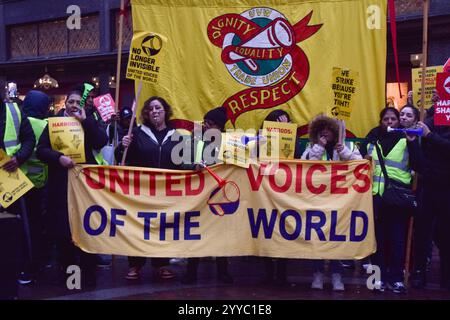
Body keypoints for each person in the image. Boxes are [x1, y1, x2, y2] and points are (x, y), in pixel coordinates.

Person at [36, 90, 108, 287]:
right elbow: (41, 150)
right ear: (65, 104)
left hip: (85, 186)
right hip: (61, 185)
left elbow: (102, 142)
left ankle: (89, 271)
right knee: (63, 230)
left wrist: (86, 122)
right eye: (71, 101)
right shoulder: (52, 124)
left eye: (78, 102)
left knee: (87, 227)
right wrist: (58, 158)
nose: (75, 105)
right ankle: (68, 273)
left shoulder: (88, 121)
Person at [115, 96, 181, 281]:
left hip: (165, 191)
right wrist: (122, 146)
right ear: (146, 113)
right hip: (141, 191)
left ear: (165, 111)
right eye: (151, 109)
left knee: (162, 227)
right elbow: (121, 157)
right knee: (138, 227)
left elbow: (182, 162)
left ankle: (161, 264)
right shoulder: (136, 133)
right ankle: (135, 264)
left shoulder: (175, 134)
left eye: (158, 108)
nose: (155, 111)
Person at [361, 107, 422, 294]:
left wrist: (412, 144)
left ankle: (396, 279)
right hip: (376, 197)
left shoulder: (408, 138)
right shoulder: (371, 139)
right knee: (375, 241)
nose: (389, 122)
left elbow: (420, 165)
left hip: (397, 198)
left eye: (393, 119)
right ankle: (375, 279)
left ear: (398, 121)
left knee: (397, 240)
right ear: (381, 121)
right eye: (386, 119)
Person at [301, 114, 362, 291]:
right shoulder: (311, 147)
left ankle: (337, 276)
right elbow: (305, 166)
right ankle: (318, 274)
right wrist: (318, 149)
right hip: (317, 202)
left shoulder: (348, 146)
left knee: (336, 239)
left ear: (335, 131)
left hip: (341, 202)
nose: (325, 132)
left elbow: (360, 166)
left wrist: (344, 153)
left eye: (329, 129)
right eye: (322, 130)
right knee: (318, 239)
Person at [182, 106, 234, 284]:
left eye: (210, 123)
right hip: (197, 195)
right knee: (196, 234)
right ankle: (191, 272)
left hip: (219, 196)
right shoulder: (194, 139)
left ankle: (223, 272)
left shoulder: (230, 142)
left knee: (221, 236)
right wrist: (192, 167)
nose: (205, 125)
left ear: (219, 127)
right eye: (205, 121)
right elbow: (182, 163)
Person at [411, 102, 450, 291]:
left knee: (446, 235)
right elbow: (419, 159)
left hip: (447, 189)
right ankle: (418, 273)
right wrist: (413, 142)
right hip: (428, 186)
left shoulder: (428, 130)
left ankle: (446, 276)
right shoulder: (428, 122)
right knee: (421, 233)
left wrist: (429, 136)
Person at [0, 95, 35, 299]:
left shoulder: (14, 110)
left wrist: (19, 157)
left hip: (10, 178)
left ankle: (18, 270)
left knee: (14, 230)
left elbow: (30, 139)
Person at [18, 90, 51, 284]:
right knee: (40, 226)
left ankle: (28, 264)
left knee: (26, 226)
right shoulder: (47, 124)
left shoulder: (19, 123)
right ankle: (41, 261)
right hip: (42, 184)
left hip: (19, 183)